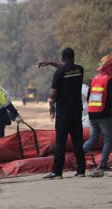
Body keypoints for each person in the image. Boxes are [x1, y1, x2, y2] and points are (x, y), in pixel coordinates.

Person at [39, 48, 86, 180]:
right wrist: (51, 63)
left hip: (63, 113)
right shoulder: (80, 70)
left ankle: (57, 172)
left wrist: (51, 110)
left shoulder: (59, 73)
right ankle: (81, 170)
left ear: (62, 58)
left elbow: (53, 94)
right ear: (73, 57)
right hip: (77, 112)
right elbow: (68, 68)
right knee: (78, 142)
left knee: (60, 143)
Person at [82, 55, 112, 171]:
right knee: (108, 140)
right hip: (104, 114)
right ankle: (103, 165)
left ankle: (79, 156)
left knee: (93, 137)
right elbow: (111, 100)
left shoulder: (94, 79)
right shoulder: (110, 80)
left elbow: (89, 97)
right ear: (108, 67)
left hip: (92, 113)